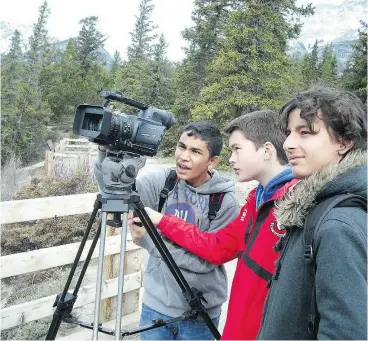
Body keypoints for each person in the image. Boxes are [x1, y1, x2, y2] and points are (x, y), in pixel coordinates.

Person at [130, 110, 298, 340]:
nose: (232, 158)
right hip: (238, 328)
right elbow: (217, 246)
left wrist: (153, 235)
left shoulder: (295, 205)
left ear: (267, 150)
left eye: (237, 149)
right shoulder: (255, 202)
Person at [95, 120, 240, 340]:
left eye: (195, 151)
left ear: (212, 161)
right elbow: (114, 191)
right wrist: (105, 154)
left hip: (199, 314)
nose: (183, 156)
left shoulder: (224, 201)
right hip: (155, 307)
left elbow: (205, 262)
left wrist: (149, 242)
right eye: (181, 147)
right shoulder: (164, 182)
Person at [256, 87, 367, 339]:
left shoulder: (338, 225)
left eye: (305, 133)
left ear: (345, 141)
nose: (287, 144)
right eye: (289, 133)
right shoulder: (315, 205)